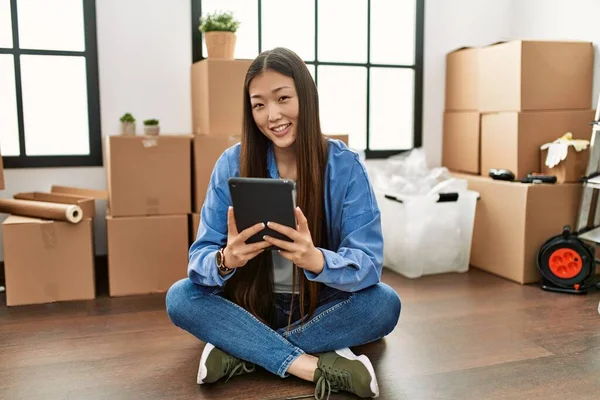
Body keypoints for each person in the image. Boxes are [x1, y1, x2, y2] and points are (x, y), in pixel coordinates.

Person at [166, 47, 401, 400]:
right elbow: (200, 259)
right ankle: (313, 365)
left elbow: (368, 265)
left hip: (319, 303)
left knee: (384, 304)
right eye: (259, 104)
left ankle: (241, 349)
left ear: (305, 96)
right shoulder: (231, 163)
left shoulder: (345, 166)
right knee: (180, 297)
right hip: (251, 302)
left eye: (282, 98)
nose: (271, 115)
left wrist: (317, 260)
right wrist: (226, 260)